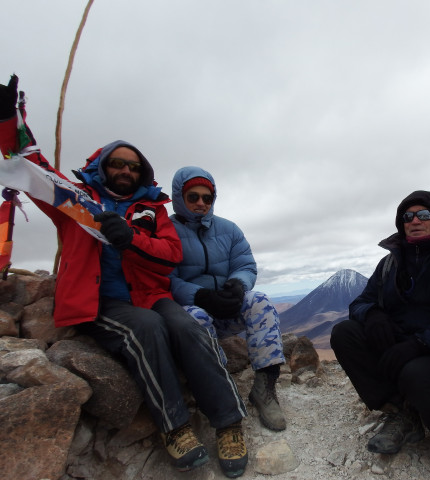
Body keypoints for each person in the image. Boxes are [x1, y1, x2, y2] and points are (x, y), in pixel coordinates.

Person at [0, 75, 249, 478]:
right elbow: (32, 169)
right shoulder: (75, 201)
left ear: (142, 172)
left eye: (133, 166)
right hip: (101, 302)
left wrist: (130, 237)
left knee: (189, 328)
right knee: (146, 329)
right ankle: (175, 426)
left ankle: (229, 422)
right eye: (117, 163)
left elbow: (170, 255)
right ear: (101, 166)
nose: (125, 170)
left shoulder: (153, 207)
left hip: (150, 294)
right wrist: (5, 121)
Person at [330, 190, 430, 475]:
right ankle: (401, 412)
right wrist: (374, 315)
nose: (415, 221)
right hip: (399, 340)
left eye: (424, 215)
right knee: (344, 333)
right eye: (407, 216)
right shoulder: (391, 262)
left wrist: (422, 342)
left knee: (415, 371)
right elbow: (360, 303)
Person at [169, 166, 287, 432]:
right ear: (179, 197)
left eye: (207, 198)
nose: (201, 203)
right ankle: (221, 389)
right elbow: (164, 278)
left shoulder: (228, 229)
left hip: (227, 304)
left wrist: (237, 285)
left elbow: (246, 265)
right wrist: (199, 295)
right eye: (193, 197)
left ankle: (264, 388)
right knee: (195, 318)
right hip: (193, 309)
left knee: (260, 301)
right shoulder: (166, 230)